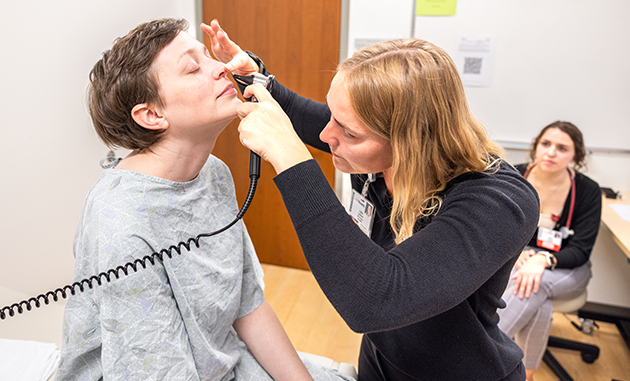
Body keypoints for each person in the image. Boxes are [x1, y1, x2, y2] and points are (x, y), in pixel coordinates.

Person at [204, 20, 540, 381]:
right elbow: (315, 118)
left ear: (411, 141)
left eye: (347, 131)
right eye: (333, 116)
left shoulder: (499, 202)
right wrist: (259, 82)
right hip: (381, 362)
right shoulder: (378, 161)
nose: (325, 134)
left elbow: (376, 301)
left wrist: (290, 158)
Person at [55, 18, 353, 381]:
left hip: (222, 361)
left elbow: (247, 304)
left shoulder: (213, 172)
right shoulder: (121, 225)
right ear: (152, 115)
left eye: (207, 57)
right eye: (194, 68)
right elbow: (157, 371)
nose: (222, 68)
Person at [496, 121, 601, 381]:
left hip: (567, 268)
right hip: (519, 260)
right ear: (536, 146)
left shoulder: (587, 191)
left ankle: (482, 350)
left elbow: (581, 250)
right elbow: (495, 228)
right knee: (537, 302)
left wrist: (545, 259)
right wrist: (516, 253)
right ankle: (525, 375)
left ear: (575, 155)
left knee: (534, 282)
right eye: (546, 144)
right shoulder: (513, 176)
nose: (551, 152)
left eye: (562, 148)